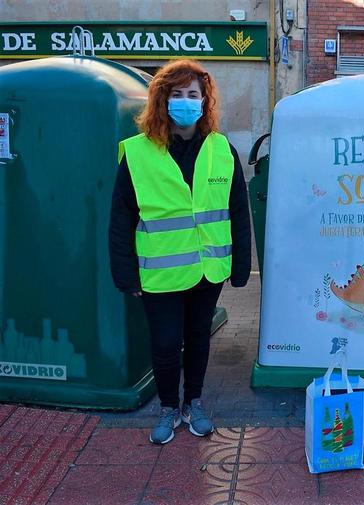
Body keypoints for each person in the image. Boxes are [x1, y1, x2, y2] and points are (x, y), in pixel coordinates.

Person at [109, 60, 252, 444]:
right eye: (178, 94)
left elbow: (238, 210)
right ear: (162, 100)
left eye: (194, 95)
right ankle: (169, 408)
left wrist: (241, 268)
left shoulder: (222, 149)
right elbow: (121, 218)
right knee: (167, 343)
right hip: (160, 272)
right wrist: (126, 275)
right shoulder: (138, 153)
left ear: (205, 102)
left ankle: (195, 403)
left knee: (199, 339)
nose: (186, 102)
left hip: (209, 270)